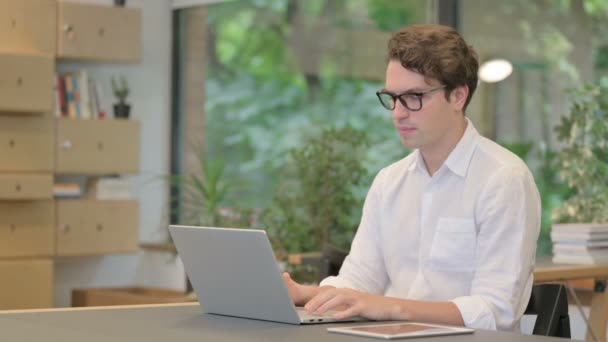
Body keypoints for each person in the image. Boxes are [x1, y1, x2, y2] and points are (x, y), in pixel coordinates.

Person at [282, 24, 541, 331]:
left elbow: (494, 311)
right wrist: (304, 294)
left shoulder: (503, 179)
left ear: (458, 96)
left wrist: (390, 308)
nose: (398, 113)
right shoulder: (389, 182)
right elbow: (360, 280)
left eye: (414, 97)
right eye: (392, 97)